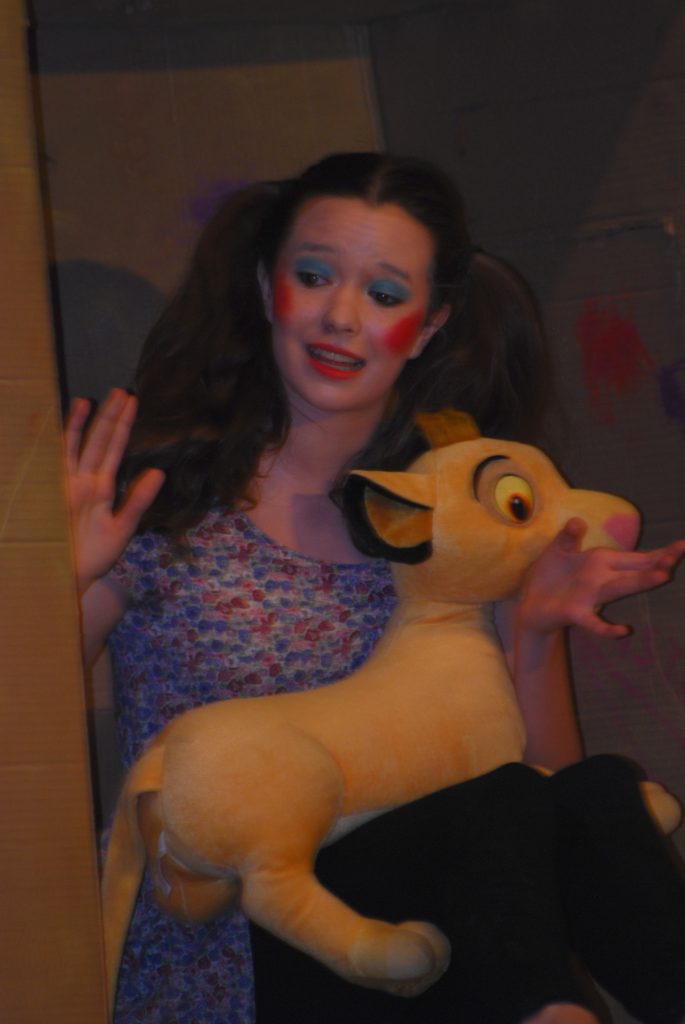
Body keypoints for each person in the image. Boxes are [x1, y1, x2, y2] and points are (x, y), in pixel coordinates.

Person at [65, 152, 685, 1024]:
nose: (341, 317)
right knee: (500, 809)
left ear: (428, 326)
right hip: (232, 947)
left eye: (385, 294)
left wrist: (535, 634)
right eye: (314, 276)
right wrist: (62, 577)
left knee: (583, 794)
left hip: (425, 937)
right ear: (266, 286)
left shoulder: (459, 517)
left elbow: (542, 794)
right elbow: (24, 729)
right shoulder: (167, 499)